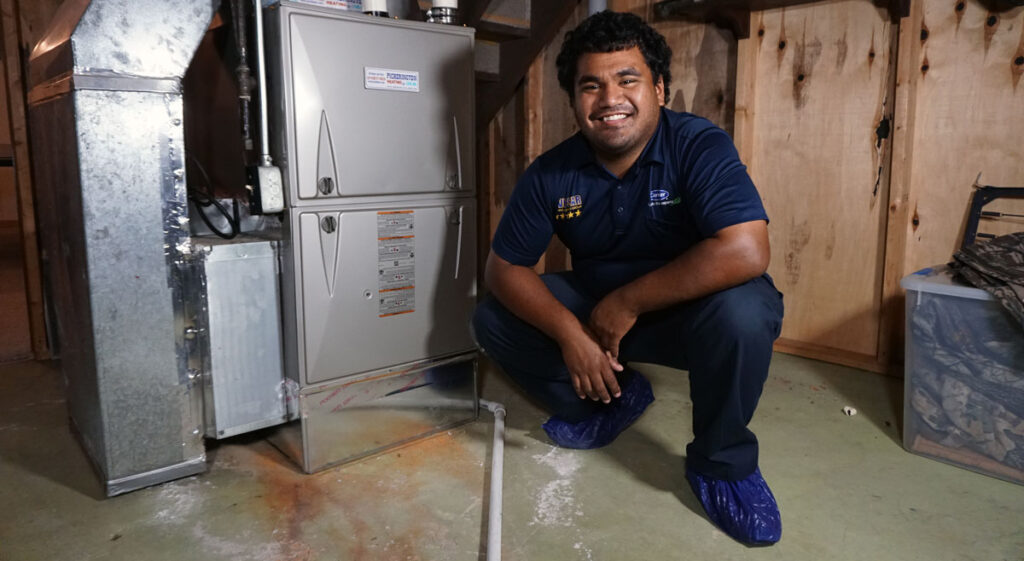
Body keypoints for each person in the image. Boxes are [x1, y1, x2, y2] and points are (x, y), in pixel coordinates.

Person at [471, 10, 784, 546]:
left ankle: (720, 462)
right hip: (599, 313)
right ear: (574, 100)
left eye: (627, 80)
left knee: (746, 311)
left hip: (691, 314)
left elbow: (746, 249)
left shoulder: (697, 145)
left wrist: (629, 301)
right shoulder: (551, 172)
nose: (609, 98)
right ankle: (613, 399)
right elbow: (504, 268)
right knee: (491, 317)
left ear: (659, 89)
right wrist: (572, 335)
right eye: (590, 85)